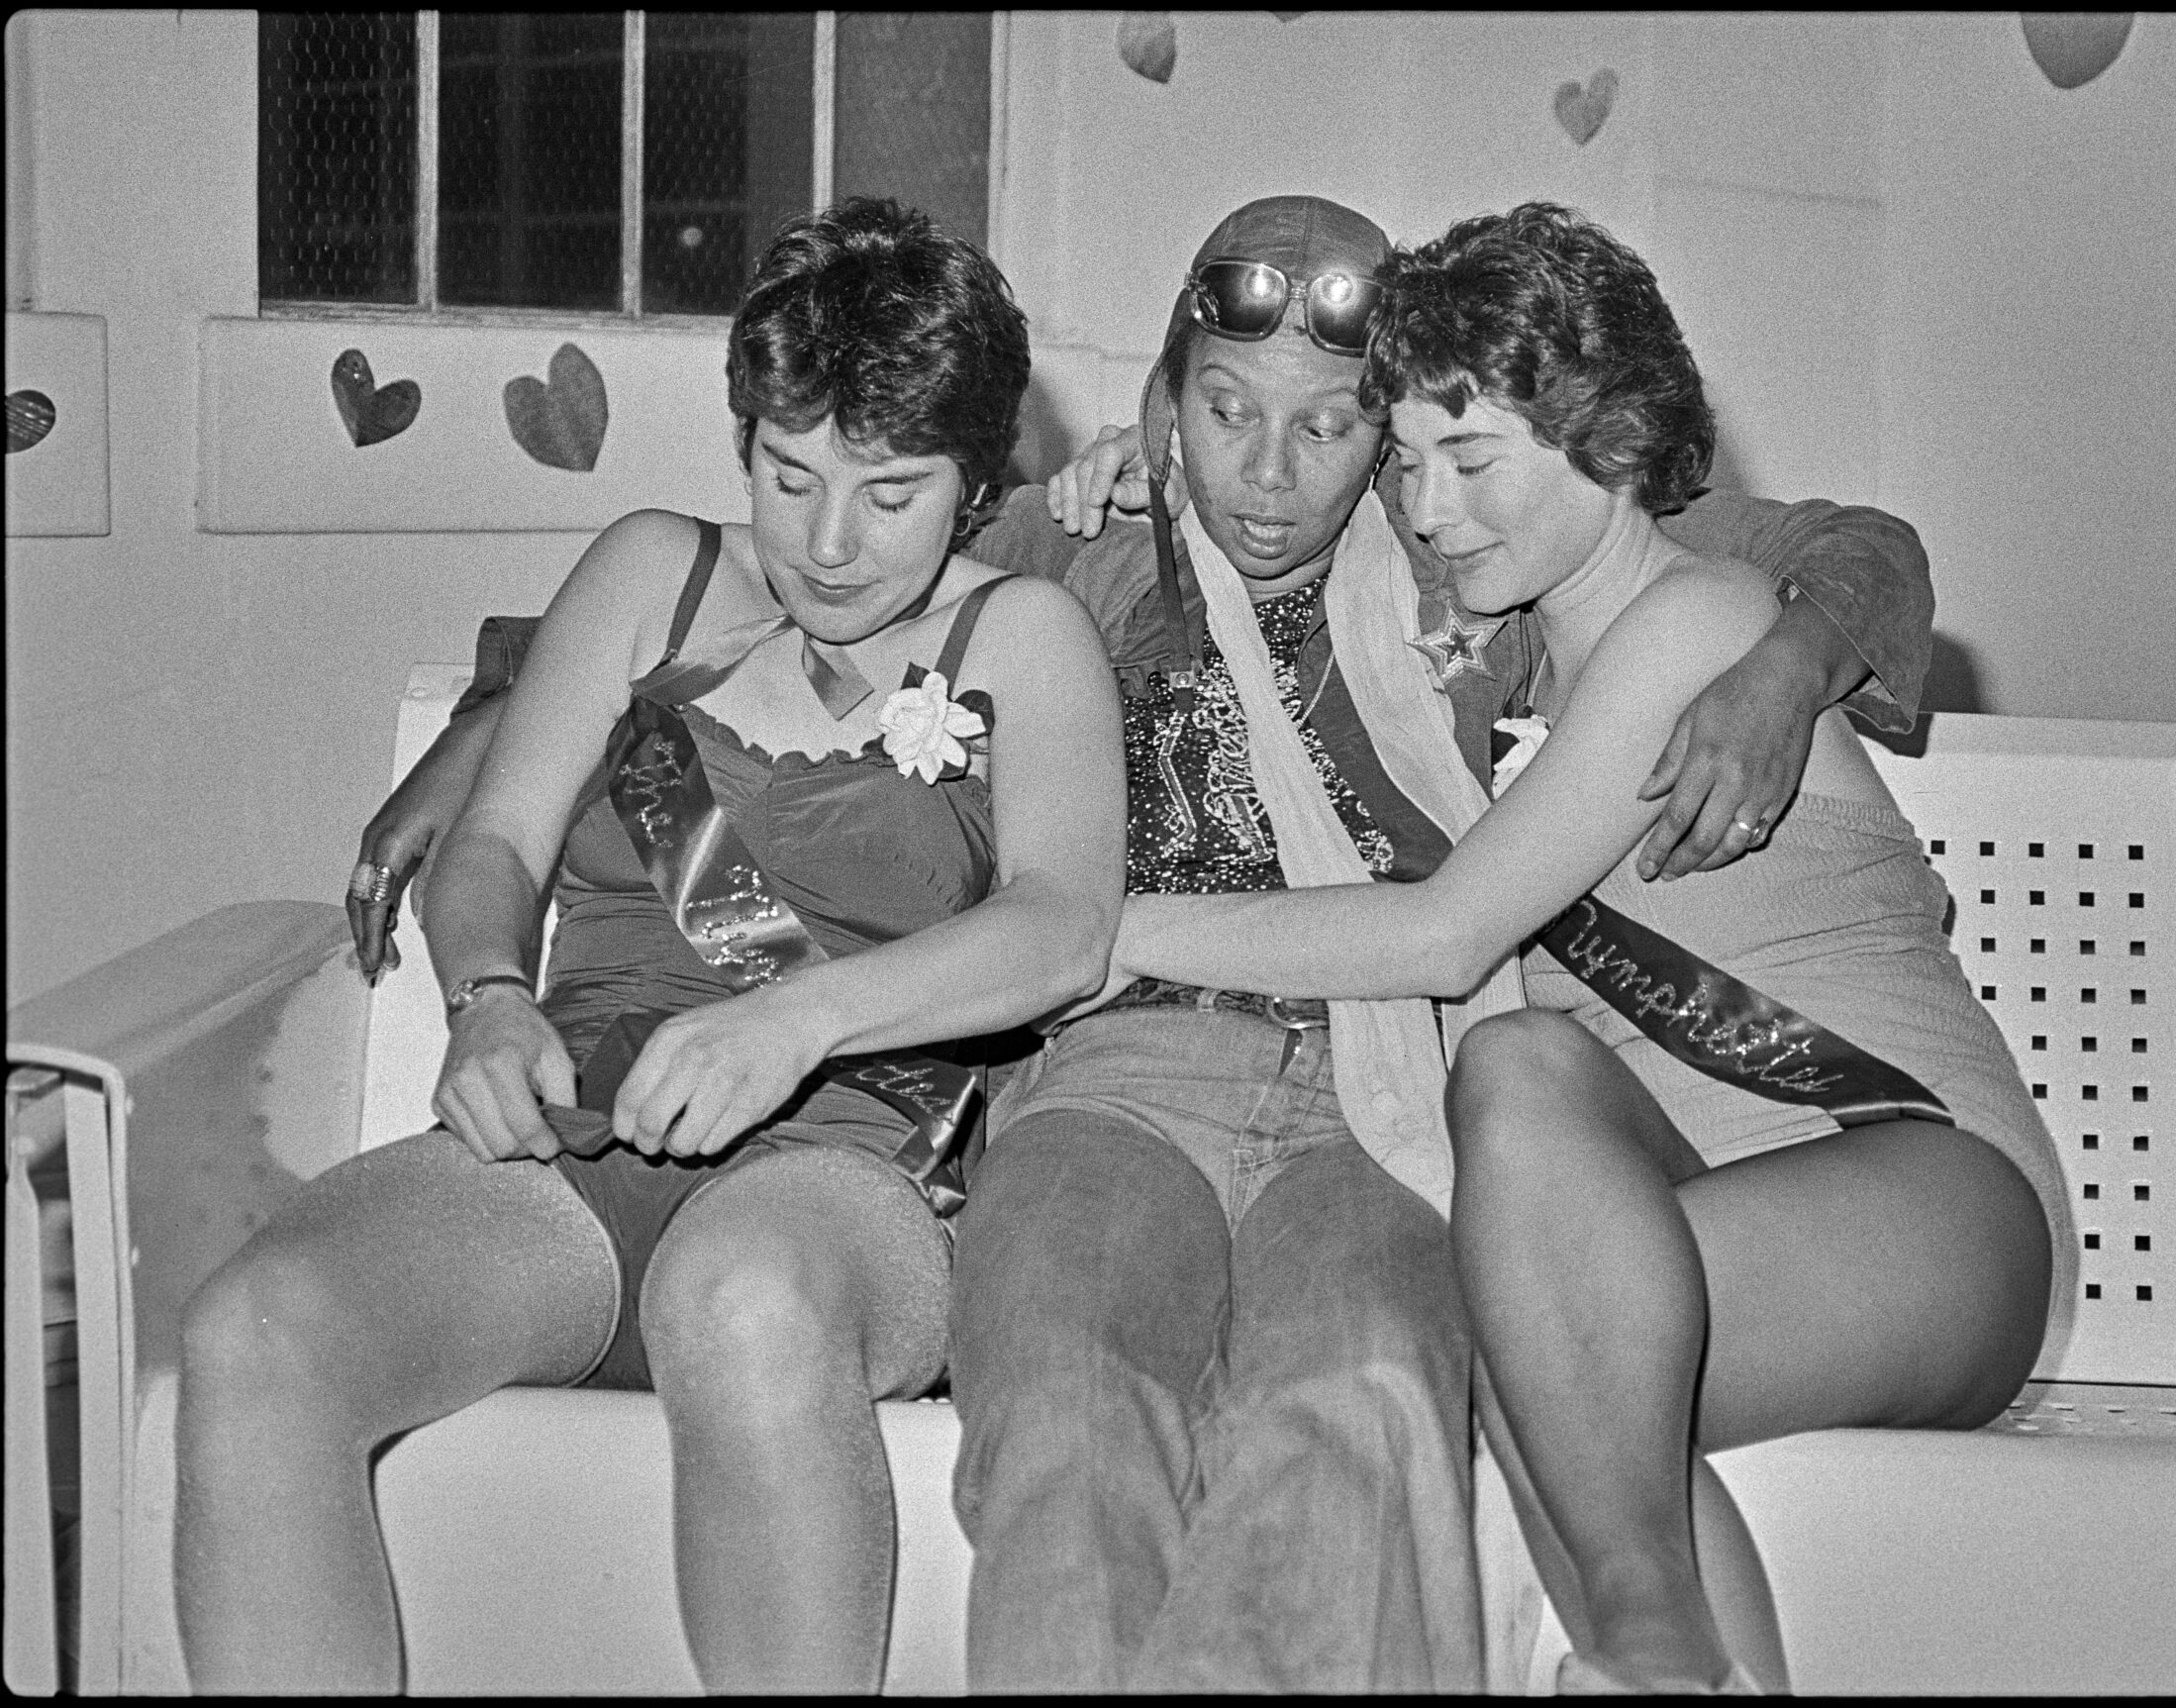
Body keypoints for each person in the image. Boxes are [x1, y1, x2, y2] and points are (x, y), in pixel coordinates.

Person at [346, 193, 1939, 1693]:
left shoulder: (1470, 545)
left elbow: (1849, 542)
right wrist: (482, 732)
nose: (1269, 474)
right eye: (1226, 412)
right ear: (1163, 403)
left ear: (1388, 433)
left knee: (1360, 1402)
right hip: (1104, 1070)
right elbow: (777, 570)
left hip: (1387, 1081)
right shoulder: (1061, 549)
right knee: (1065, 1402)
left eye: (1328, 428)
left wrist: (1796, 654)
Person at [1106, 202, 2074, 1694]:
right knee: (1523, 1261)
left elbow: (1446, 931)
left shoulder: (1701, 618)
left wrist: (1094, 939)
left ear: (1612, 438)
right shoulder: (1491, 652)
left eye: (1472, 462)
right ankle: (1673, 1671)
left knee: (1515, 1163)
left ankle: (1638, 1645)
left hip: (1924, 1201)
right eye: (1410, 462)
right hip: (1664, 1219)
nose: (1428, 511)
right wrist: (1140, 453)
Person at [174, 198, 1125, 1696]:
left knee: (739, 1293)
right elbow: (488, 847)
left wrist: (797, 1021)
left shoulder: (1022, 638)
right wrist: (487, 998)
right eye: (787, 471)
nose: (825, 539)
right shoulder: (650, 572)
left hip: (849, 1185)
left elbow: (1064, 928)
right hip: (563, 1166)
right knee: (258, 1330)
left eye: (890, 493)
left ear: (978, 479)